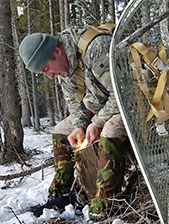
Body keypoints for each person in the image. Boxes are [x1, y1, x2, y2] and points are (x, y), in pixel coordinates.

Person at [19, 25, 129, 219]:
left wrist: (97, 122)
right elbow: (74, 103)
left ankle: (105, 203)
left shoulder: (96, 47)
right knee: (61, 130)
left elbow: (124, 93)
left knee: (109, 130)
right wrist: (79, 126)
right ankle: (61, 194)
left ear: (57, 51)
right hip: (102, 107)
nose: (50, 76)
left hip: (130, 105)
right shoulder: (64, 66)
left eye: (47, 69)